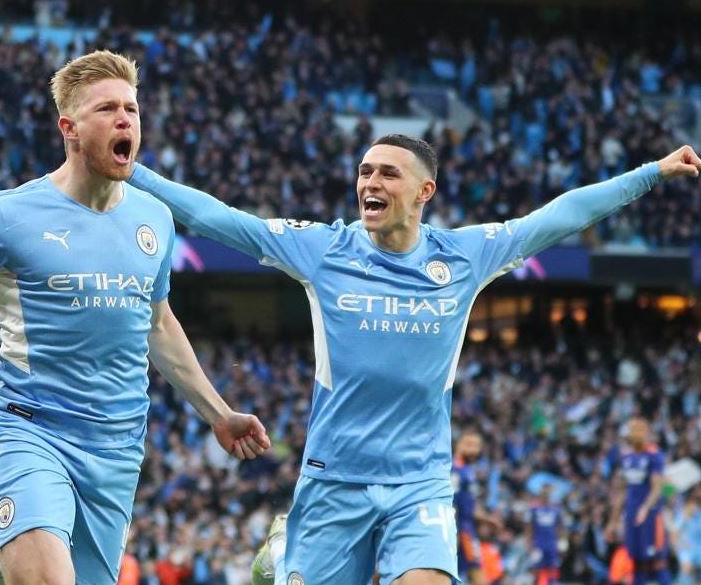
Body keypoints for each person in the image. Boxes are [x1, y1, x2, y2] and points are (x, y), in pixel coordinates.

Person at [127, 134, 701, 585]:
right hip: (334, 480)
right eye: (364, 172)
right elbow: (220, 219)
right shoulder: (324, 248)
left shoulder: (464, 257)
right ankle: (286, 551)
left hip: (419, 483)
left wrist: (651, 173)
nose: (370, 183)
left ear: (425, 191)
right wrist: (136, 173)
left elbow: (561, 216)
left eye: (387, 173)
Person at [0, 49, 270, 585]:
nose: (125, 120)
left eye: (132, 109)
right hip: (31, 429)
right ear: (69, 128)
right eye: (107, 110)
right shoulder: (6, 215)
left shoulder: (155, 219)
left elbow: (158, 324)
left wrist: (218, 413)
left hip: (118, 446)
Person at [606, 417, 672, 585]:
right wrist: (613, 521)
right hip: (631, 515)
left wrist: (645, 508)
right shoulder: (626, 457)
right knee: (636, 563)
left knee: (657, 562)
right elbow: (622, 491)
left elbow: (657, 488)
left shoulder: (654, 456)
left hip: (650, 516)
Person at [452, 431, 502, 585]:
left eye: (477, 446)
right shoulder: (454, 469)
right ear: (459, 445)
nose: (474, 450)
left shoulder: (467, 471)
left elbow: (470, 505)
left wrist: (488, 519)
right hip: (462, 530)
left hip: (466, 527)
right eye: (470, 445)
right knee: (475, 569)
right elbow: (452, 503)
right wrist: (453, 532)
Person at [524, 485, 564, 585]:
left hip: (551, 544)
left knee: (552, 569)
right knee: (536, 569)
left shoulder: (556, 510)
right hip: (538, 544)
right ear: (540, 494)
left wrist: (561, 543)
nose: (546, 495)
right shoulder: (533, 510)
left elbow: (560, 528)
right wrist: (528, 544)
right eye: (544, 493)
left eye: (548, 494)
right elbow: (529, 528)